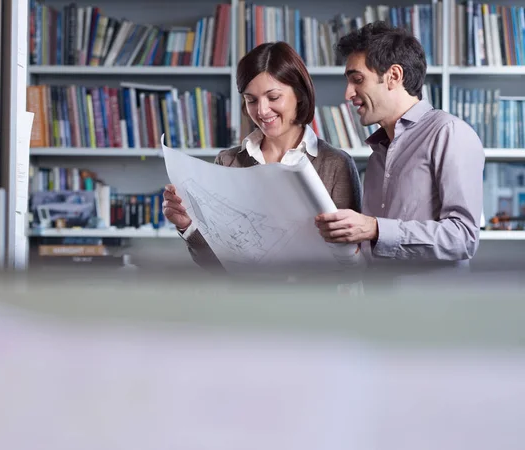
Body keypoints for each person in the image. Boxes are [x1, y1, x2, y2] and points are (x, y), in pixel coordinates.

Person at [162, 41, 362, 274]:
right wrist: (186, 226)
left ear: (299, 94)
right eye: (251, 100)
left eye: (273, 97)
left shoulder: (336, 164)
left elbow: (352, 262)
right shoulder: (228, 162)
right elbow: (215, 264)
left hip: (313, 302)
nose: (262, 111)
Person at [314, 22, 485, 281]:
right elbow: (378, 248)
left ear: (394, 76)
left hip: (436, 315)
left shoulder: (448, 133)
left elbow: (463, 238)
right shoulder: (377, 155)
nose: (348, 93)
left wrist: (374, 228)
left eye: (357, 79)